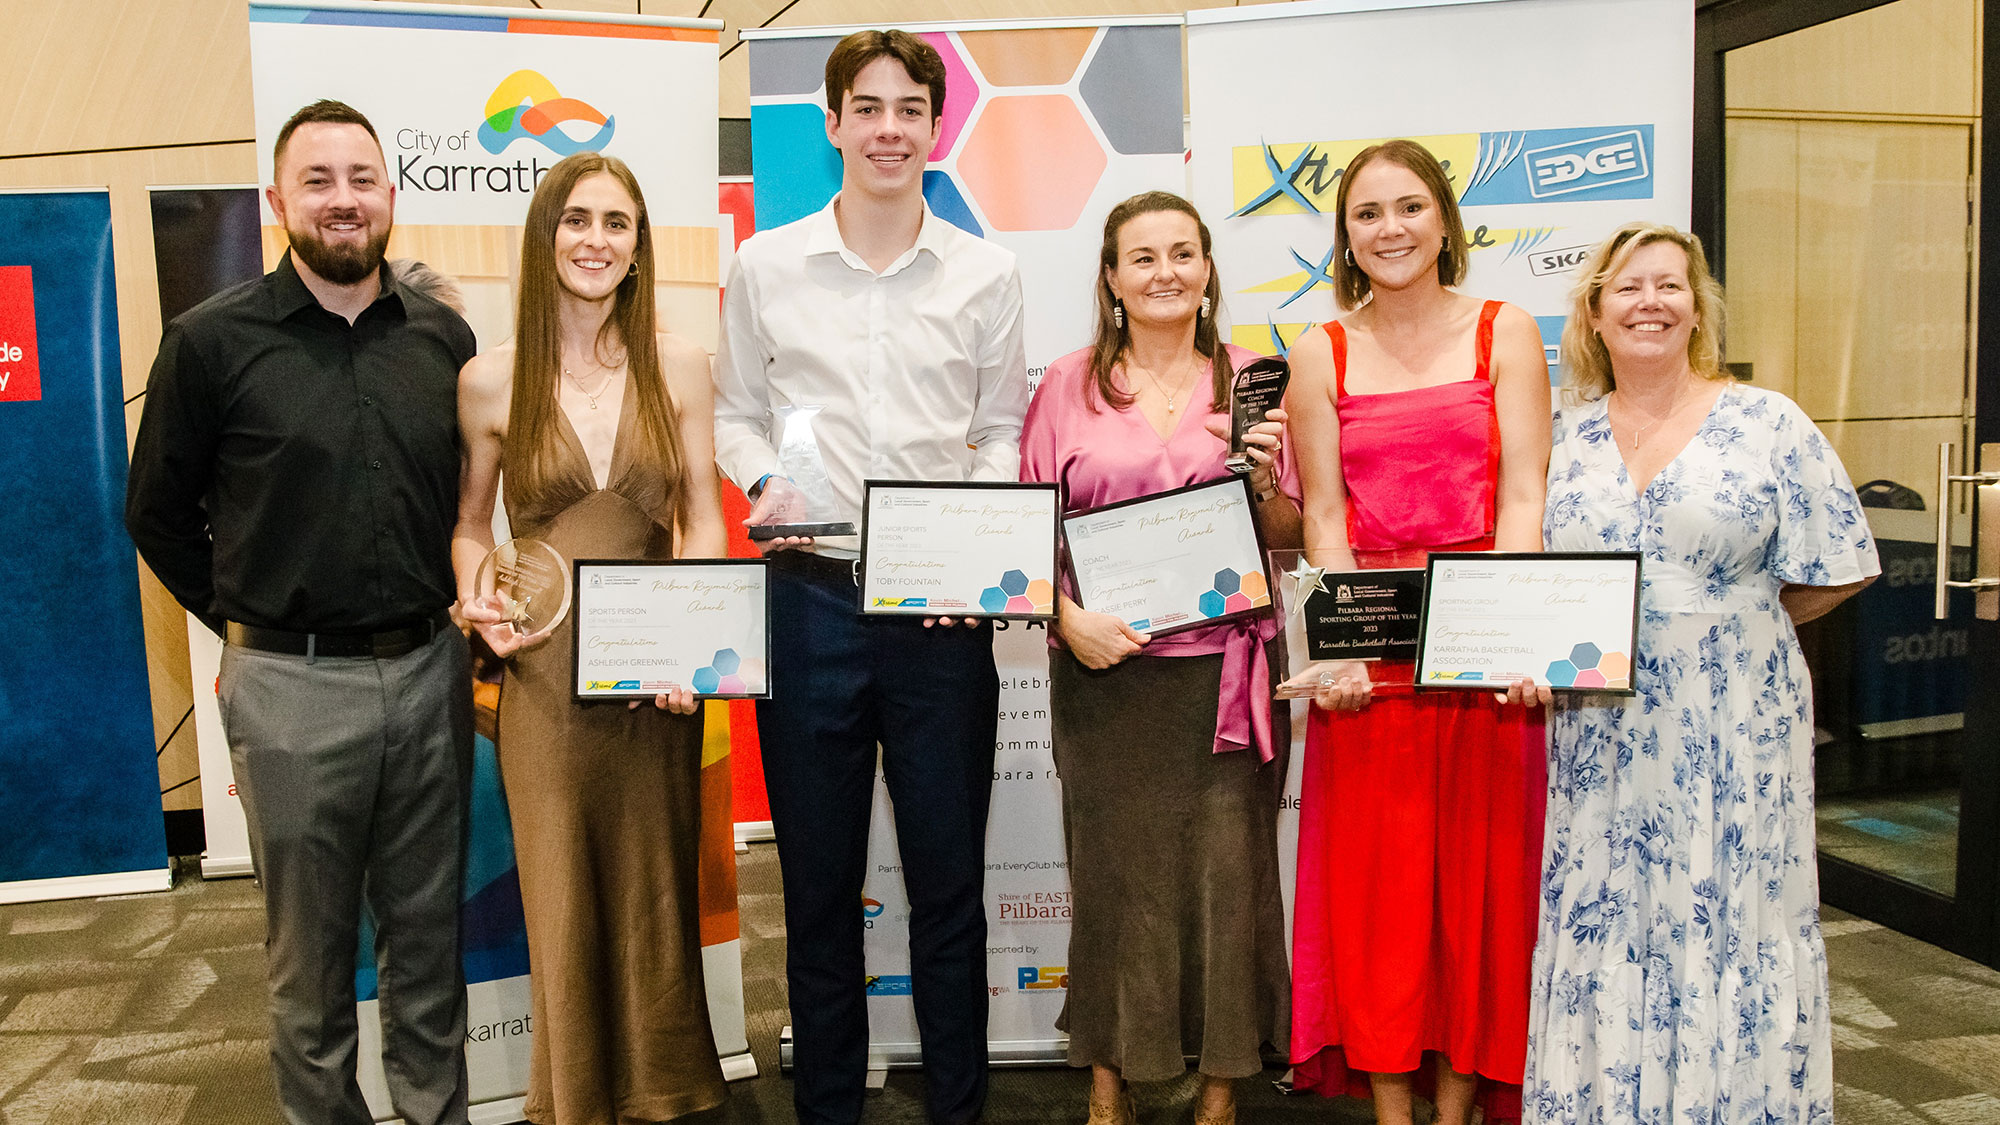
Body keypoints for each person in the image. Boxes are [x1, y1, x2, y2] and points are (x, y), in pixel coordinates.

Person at [125, 99, 475, 1125]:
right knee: (309, 965)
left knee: (426, 948)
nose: (343, 200)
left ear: (390, 197)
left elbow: (466, 505)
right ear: (278, 200)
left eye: (361, 179)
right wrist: (249, 624)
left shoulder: (441, 340)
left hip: (428, 678)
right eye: (318, 181)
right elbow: (156, 513)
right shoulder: (210, 343)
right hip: (290, 691)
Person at [710, 28, 1028, 1125]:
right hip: (810, 603)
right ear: (833, 123)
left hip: (941, 614)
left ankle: (957, 1108)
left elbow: (998, 434)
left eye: (909, 109)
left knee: (947, 891)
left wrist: (959, 532)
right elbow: (734, 414)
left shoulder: (986, 273)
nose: (888, 129)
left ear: (934, 127)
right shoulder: (766, 265)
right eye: (868, 108)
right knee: (815, 889)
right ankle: (830, 1109)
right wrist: (765, 486)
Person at [1524, 223, 1878, 1125]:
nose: (1651, 302)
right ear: (1595, 313)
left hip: (1734, 719)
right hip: (1599, 724)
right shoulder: (1559, 437)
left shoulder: (1768, 421)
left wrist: (1732, 623)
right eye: (1629, 287)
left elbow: (1844, 560)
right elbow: (1526, 578)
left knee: (1733, 907)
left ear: (1697, 309)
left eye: (1670, 287)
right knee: (1609, 906)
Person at [451, 153, 729, 1124]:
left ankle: (663, 1089)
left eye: (618, 223)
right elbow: (466, 527)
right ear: (545, 236)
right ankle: (574, 1101)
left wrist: (689, 647)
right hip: (541, 681)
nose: (596, 240)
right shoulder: (489, 381)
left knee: (656, 896)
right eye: (578, 220)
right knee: (563, 902)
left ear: (638, 246)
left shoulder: (682, 362)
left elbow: (701, 517)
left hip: (654, 681)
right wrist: (474, 597)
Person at [1282, 139, 1552, 1125]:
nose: (1387, 229)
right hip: (1376, 656)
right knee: (1381, 902)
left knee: (1477, 901)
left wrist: (1512, 635)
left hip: (1479, 651)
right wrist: (1343, 647)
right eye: (1365, 214)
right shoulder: (1320, 349)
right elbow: (1321, 518)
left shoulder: (1504, 331)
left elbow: (1524, 491)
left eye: (1406, 208)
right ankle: (1393, 1115)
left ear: (1444, 221)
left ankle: (1456, 1111)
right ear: (1345, 236)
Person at [1019, 191, 1298, 1125]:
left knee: (1227, 883)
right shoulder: (1065, 385)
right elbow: (1021, 541)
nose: (1165, 271)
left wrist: (1262, 479)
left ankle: (1219, 1090)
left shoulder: (1255, 378)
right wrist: (1066, 622)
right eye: (1142, 257)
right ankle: (1111, 1090)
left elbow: (1290, 531)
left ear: (1209, 270)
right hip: (1107, 677)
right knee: (1112, 884)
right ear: (1110, 279)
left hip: (1226, 677)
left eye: (1184, 253)